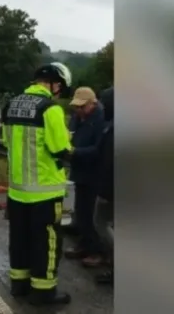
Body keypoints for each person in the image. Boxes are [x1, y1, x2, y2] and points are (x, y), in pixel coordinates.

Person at [1, 62, 74, 306]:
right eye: (60, 88)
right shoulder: (49, 108)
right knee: (47, 244)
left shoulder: (11, 105)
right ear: (54, 83)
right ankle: (43, 294)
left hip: (17, 191)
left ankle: (19, 285)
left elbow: (6, 142)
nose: (60, 92)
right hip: (45, 192)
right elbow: (60, 148)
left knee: (19, 239)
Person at [64, 87, 106, 268]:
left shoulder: (101, 119)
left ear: (93, 103)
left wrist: (75, 152)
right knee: (80, 211)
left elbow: (99, 150)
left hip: (94, 173)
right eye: (77, 107)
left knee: (91, 215)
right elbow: (69, 134)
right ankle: (84, 244)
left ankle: (97, 251)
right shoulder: (77, 118)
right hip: (79, 170)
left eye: (82, 107)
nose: (78, 110)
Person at [93, 86, 114, 284]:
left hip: (111, 188)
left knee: (101, 223)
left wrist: (105, 191)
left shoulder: (112, 128)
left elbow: (109, 162)